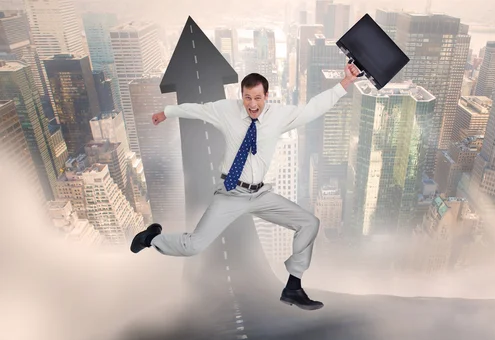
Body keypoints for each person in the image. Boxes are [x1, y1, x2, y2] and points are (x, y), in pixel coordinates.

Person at [130, 63, 361, 310]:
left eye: (258, 98)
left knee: (309, 223)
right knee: (194, 245)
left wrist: (345, 82)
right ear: (241, 96)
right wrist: (167, 112)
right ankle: (152, 238)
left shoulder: (279, 115)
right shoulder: (226, 110)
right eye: (247, 97)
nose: (252, 104)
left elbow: (313, 108)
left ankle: (293, 286)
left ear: (266, 97)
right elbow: (198, 110)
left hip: (260, 194)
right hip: (231, 192)